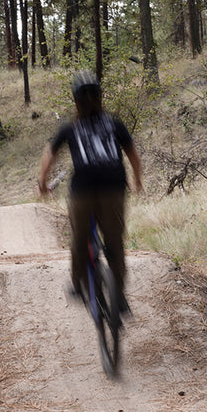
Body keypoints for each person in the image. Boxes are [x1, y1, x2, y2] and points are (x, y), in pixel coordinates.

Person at [38, 71, 143, 312]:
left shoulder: (70, 128)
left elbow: (49, 157)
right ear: (100, 98)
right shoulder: (115, 124)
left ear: (76, 101)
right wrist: (137, 181)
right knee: (115, 241)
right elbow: (133, 156)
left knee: (79, 238)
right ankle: (119, 296)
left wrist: (43, 184)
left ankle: (77, 284)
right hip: (113, 188)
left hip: (83, 191)